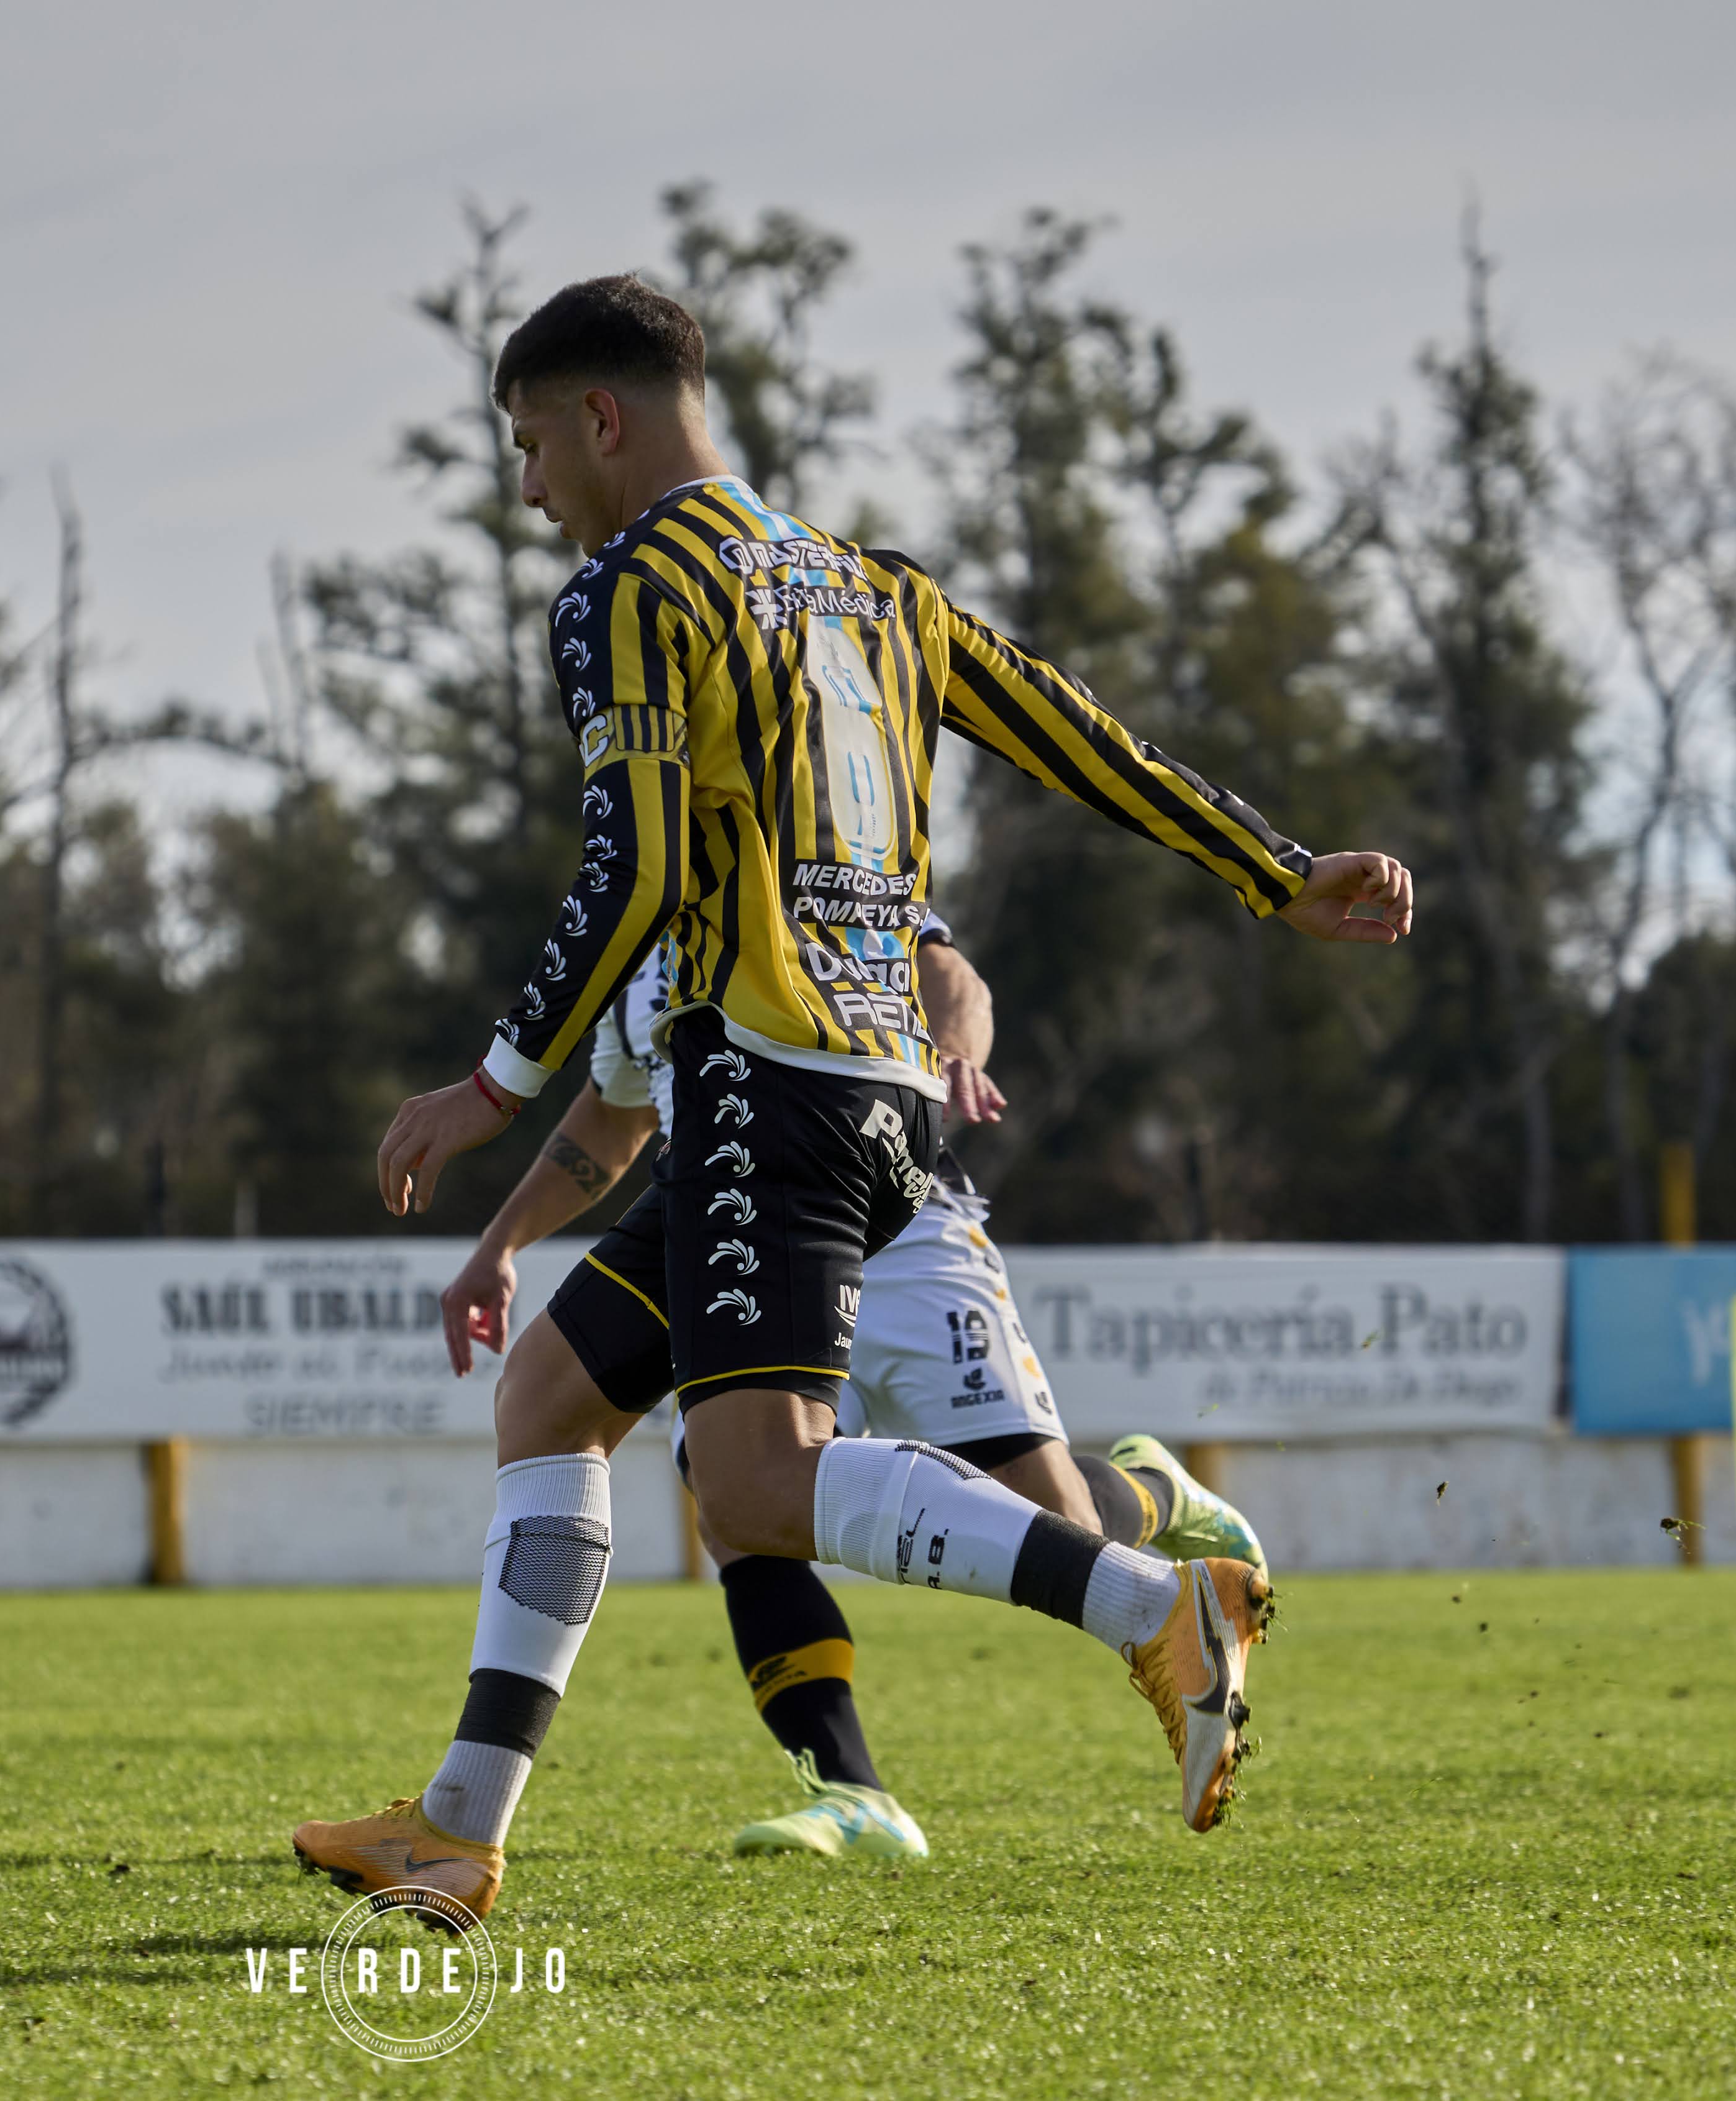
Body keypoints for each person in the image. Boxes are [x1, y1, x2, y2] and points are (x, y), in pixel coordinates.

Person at [291, 275, 1410, 1926]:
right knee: (546, 1399)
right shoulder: (877, 587)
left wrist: (489, 1079)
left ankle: (1150, 1608)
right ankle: (459, 1825)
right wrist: (1275, 866)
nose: (527, 487)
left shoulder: (630, 589)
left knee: (754, 1484)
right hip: (872, 1082)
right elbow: (1075, 732)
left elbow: (640, 862)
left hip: (764, 1079)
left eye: (530, 444)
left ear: (602, 418)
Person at [429, 937, 1269, 1867]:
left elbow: (950, 971)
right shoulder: (638, 953)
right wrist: (498, 1245)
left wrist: (954, 1050)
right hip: (741, 1237)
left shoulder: (800, 865)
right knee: (737, 1502)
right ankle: (850, 1789)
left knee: (1057, 1518)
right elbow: (609, 1120)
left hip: (907, 1237)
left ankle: (1153, 1490)